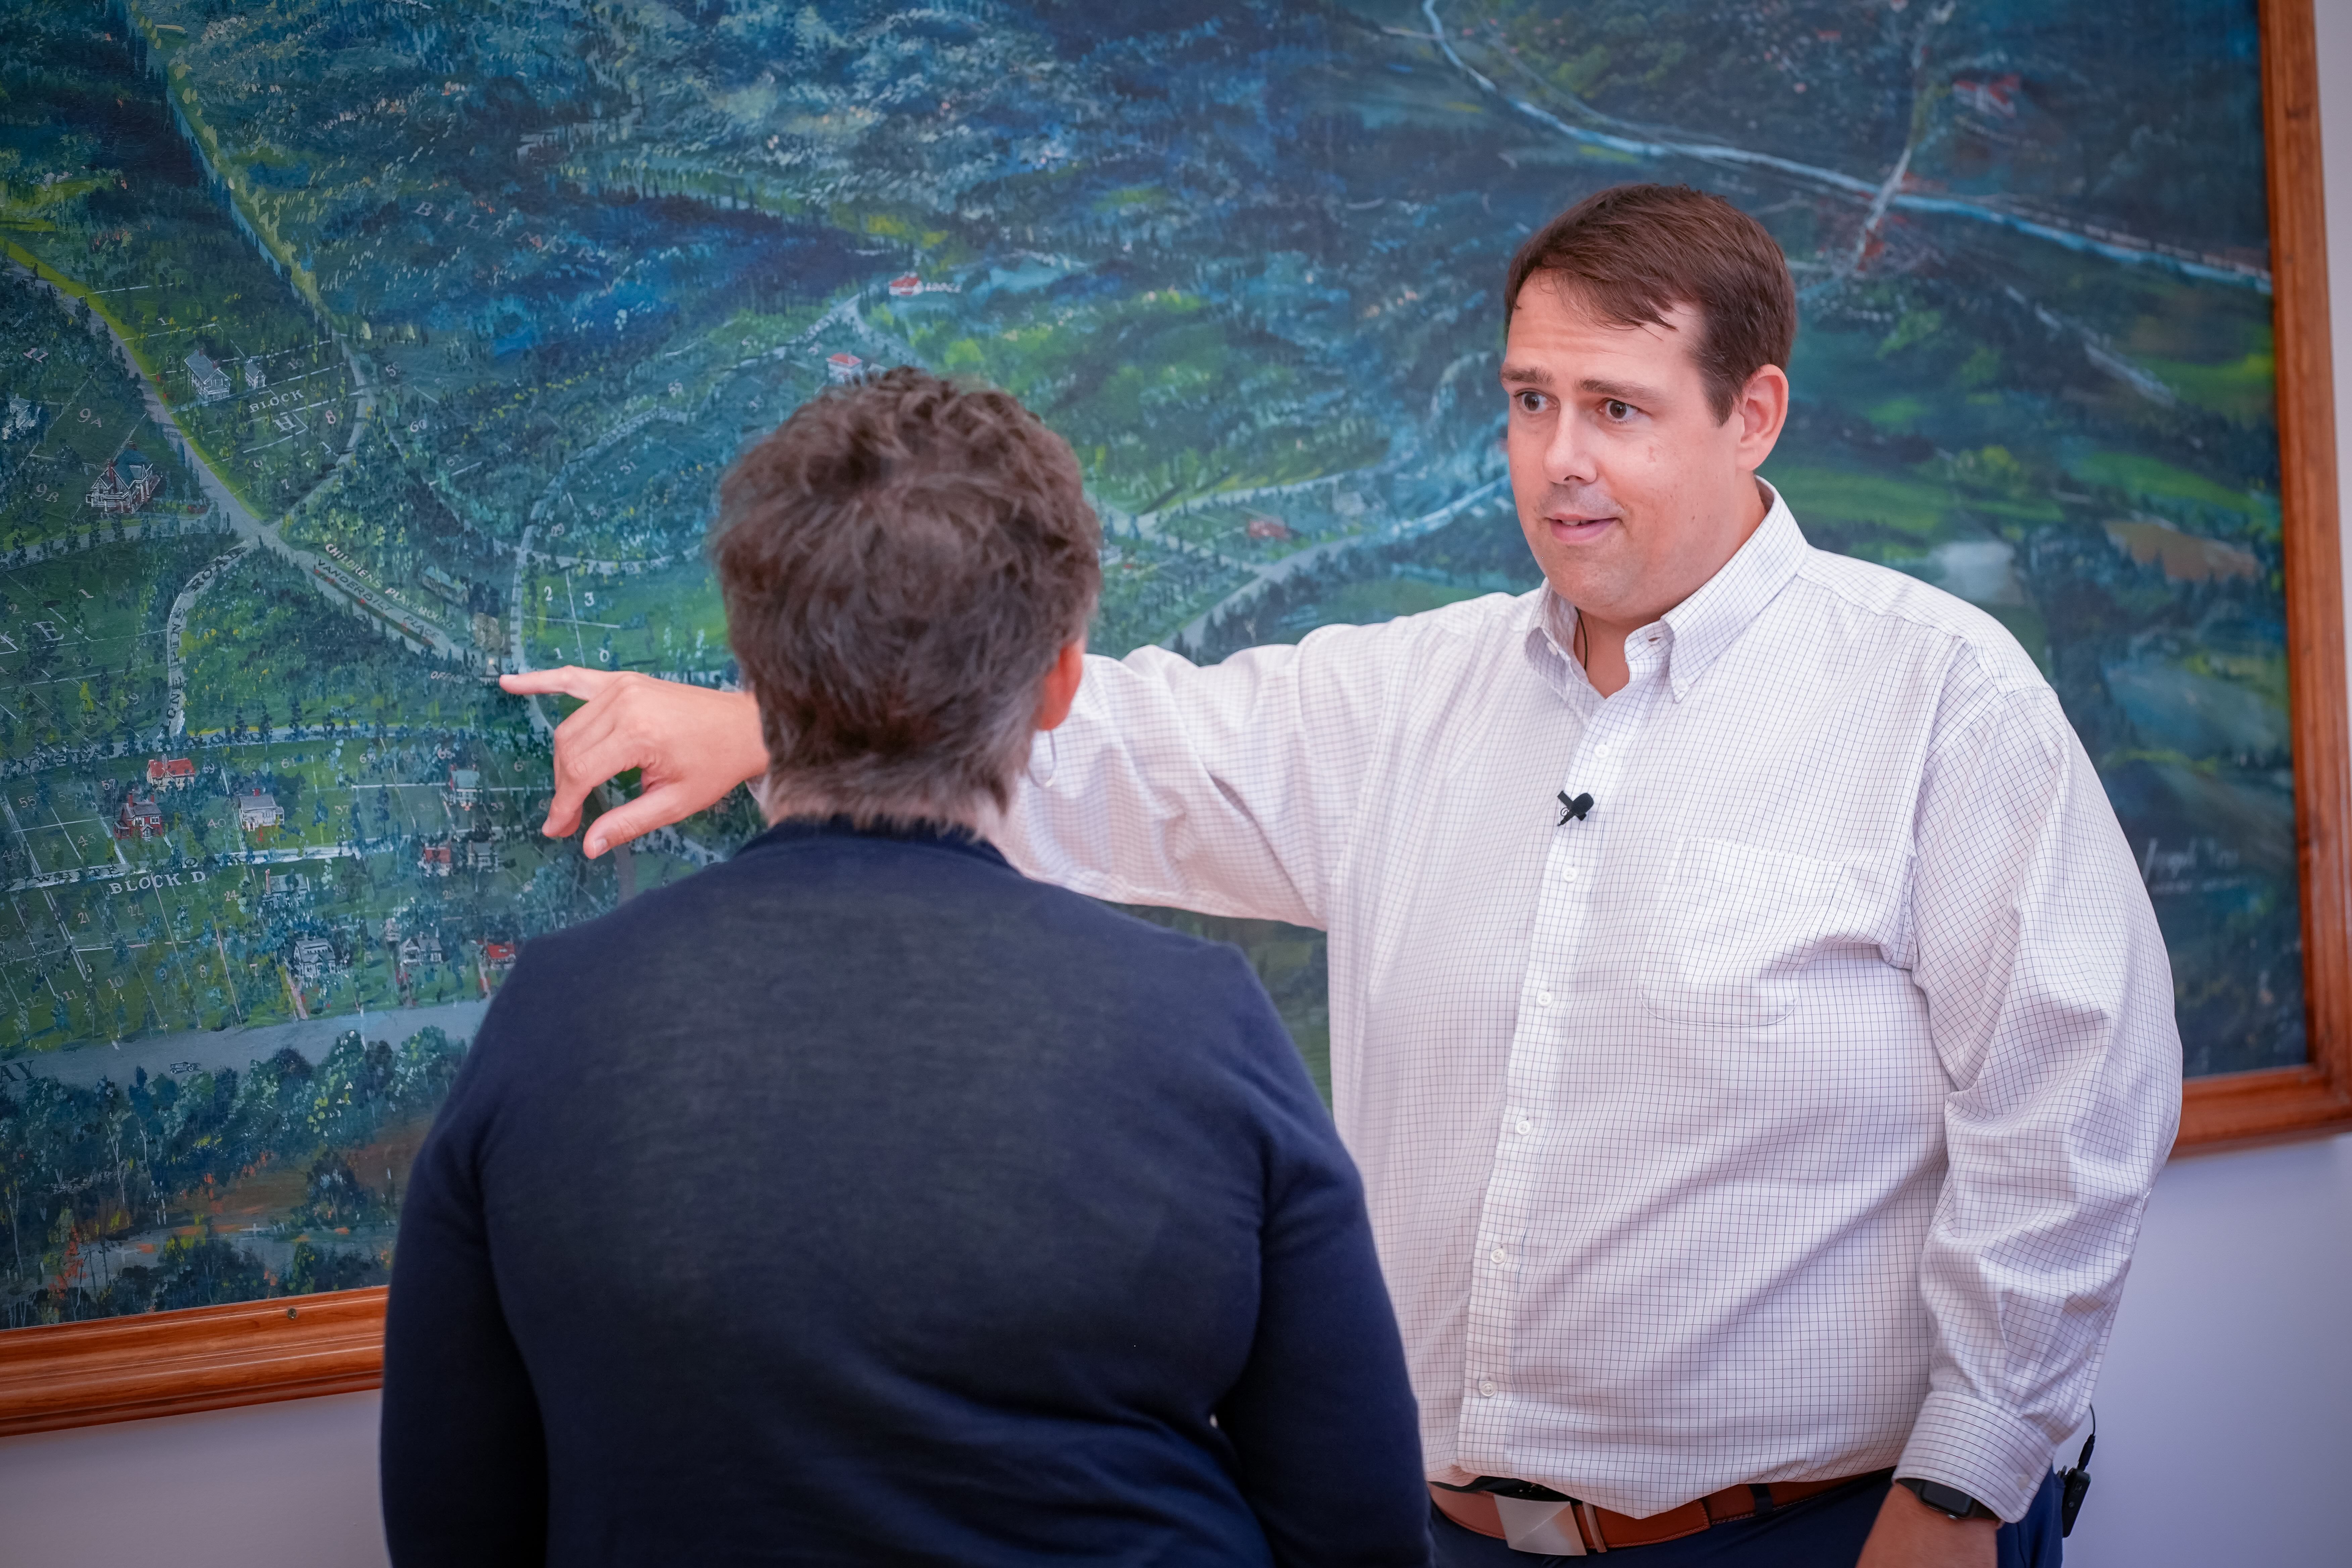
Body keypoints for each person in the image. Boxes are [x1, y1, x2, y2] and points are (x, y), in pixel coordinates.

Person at [506, 185, 2182, 1566]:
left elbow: (2075, 1109)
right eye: (1529, 401)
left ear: (1755, 415)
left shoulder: (1937, 699)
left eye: (1616, 409)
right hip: (1441, 1536)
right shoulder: (1413, 696)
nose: (1559, 457)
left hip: (1823, 1532)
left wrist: (1964, 1489)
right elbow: (1121, 746)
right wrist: (772, 720)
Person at [382, 368, 1434, 1567]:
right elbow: (1357, 1527)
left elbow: (451, 1523)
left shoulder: (555, 1021)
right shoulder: (1204, 1028)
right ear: (1062, 683)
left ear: (751, 669)